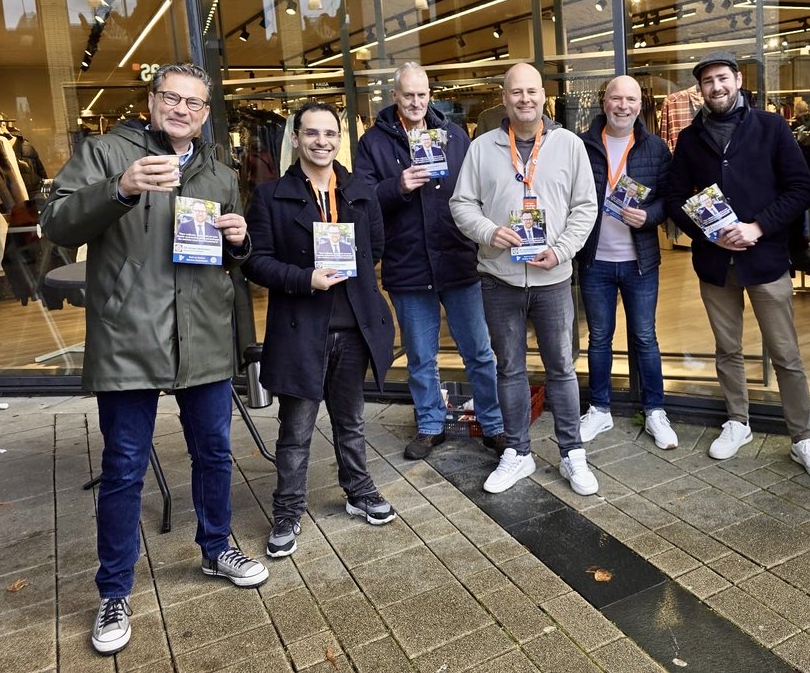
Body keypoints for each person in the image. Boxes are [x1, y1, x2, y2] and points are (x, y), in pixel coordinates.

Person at [40, 63, 268, 657]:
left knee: (214, 452)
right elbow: (56, 222)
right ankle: (114, 590)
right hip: (128, 333)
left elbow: (228, 261)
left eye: (195, 103)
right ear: (152, 99)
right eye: (172, 98)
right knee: (123, 467)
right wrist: (121, 187)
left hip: (203, 333)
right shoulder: (109, 151)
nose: (183, 110)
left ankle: (217, 547)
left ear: (205, 110)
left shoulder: (218, 171)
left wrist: (239, 242)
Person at [667, 50, 810, 481]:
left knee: (785, 353)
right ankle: (738, 422)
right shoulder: (689, 139)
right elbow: (674, 197)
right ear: (700, 89)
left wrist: (758, 227)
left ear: (738, 80)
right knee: (728, 349)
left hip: (765, 260)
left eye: (722, 78)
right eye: (707, 82)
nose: (716, 87)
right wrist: (706, 231)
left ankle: (803, 437)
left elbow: (802, 188)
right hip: (715, 261)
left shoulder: (771, 126)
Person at [245, 101, 398, 559]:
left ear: (339, 138)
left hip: (353, 326)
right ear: (295, 138)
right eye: (311, 133)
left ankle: (358, 490)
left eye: (330, 133)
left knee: (351, 421)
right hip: (300, 328)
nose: (322, 142)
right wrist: (304, 277)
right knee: (296, 431)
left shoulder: (360, 190)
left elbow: (376, 247)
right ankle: (288, 509)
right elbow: (255, 260)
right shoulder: (271, 196)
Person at [450, 62, 599, 495]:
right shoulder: (482, 147)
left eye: (532, 91)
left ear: (543, 96)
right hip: (499, 278)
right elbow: (462, 205)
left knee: (562, 371)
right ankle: (517, 452)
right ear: (504, 97)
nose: (525, 99)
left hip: (552, 278)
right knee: (510, 370)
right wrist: (489, 231)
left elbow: (585, 207)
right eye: (516, 92)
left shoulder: (569, 145)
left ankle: (572, 453)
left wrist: (562, 249)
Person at [355, 62, 505, 460]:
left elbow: (476, 191)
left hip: (457, 261)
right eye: (409, 95)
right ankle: (430, 425)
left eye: (422, 95)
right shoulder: (373, 143)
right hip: (407, 264)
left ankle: (492, 425)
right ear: (395, 97)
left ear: (429, 94)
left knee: (479, 350)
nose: (417, 102)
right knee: (421, 355)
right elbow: (363, 200)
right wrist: (397, 186)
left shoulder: (454, 135)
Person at [577, 75, 677, 450]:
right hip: (595, 260)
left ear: (640, 105)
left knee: (645, 337)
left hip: (640, 262)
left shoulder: (656, 148)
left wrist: (649, 216)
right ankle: (599, 409)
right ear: (604, 102)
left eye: (630, 99)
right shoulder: (582, 145)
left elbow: (669, 198)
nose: (623, 106)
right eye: (616, 98)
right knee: (599, 339)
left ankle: (655, 411)